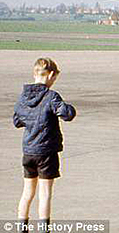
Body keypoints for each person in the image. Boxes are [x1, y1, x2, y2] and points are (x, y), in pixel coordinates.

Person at [13, 58, 76, 227]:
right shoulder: (51, 96)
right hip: (46, 152)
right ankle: (43, 229)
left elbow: (17, 121)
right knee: (45, 193)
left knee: (27, 192)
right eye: (54, 78)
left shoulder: (23, 97)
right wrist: (67, 108)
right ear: (51, 74)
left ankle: (21, 228)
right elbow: (67, 114)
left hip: (28, 152)